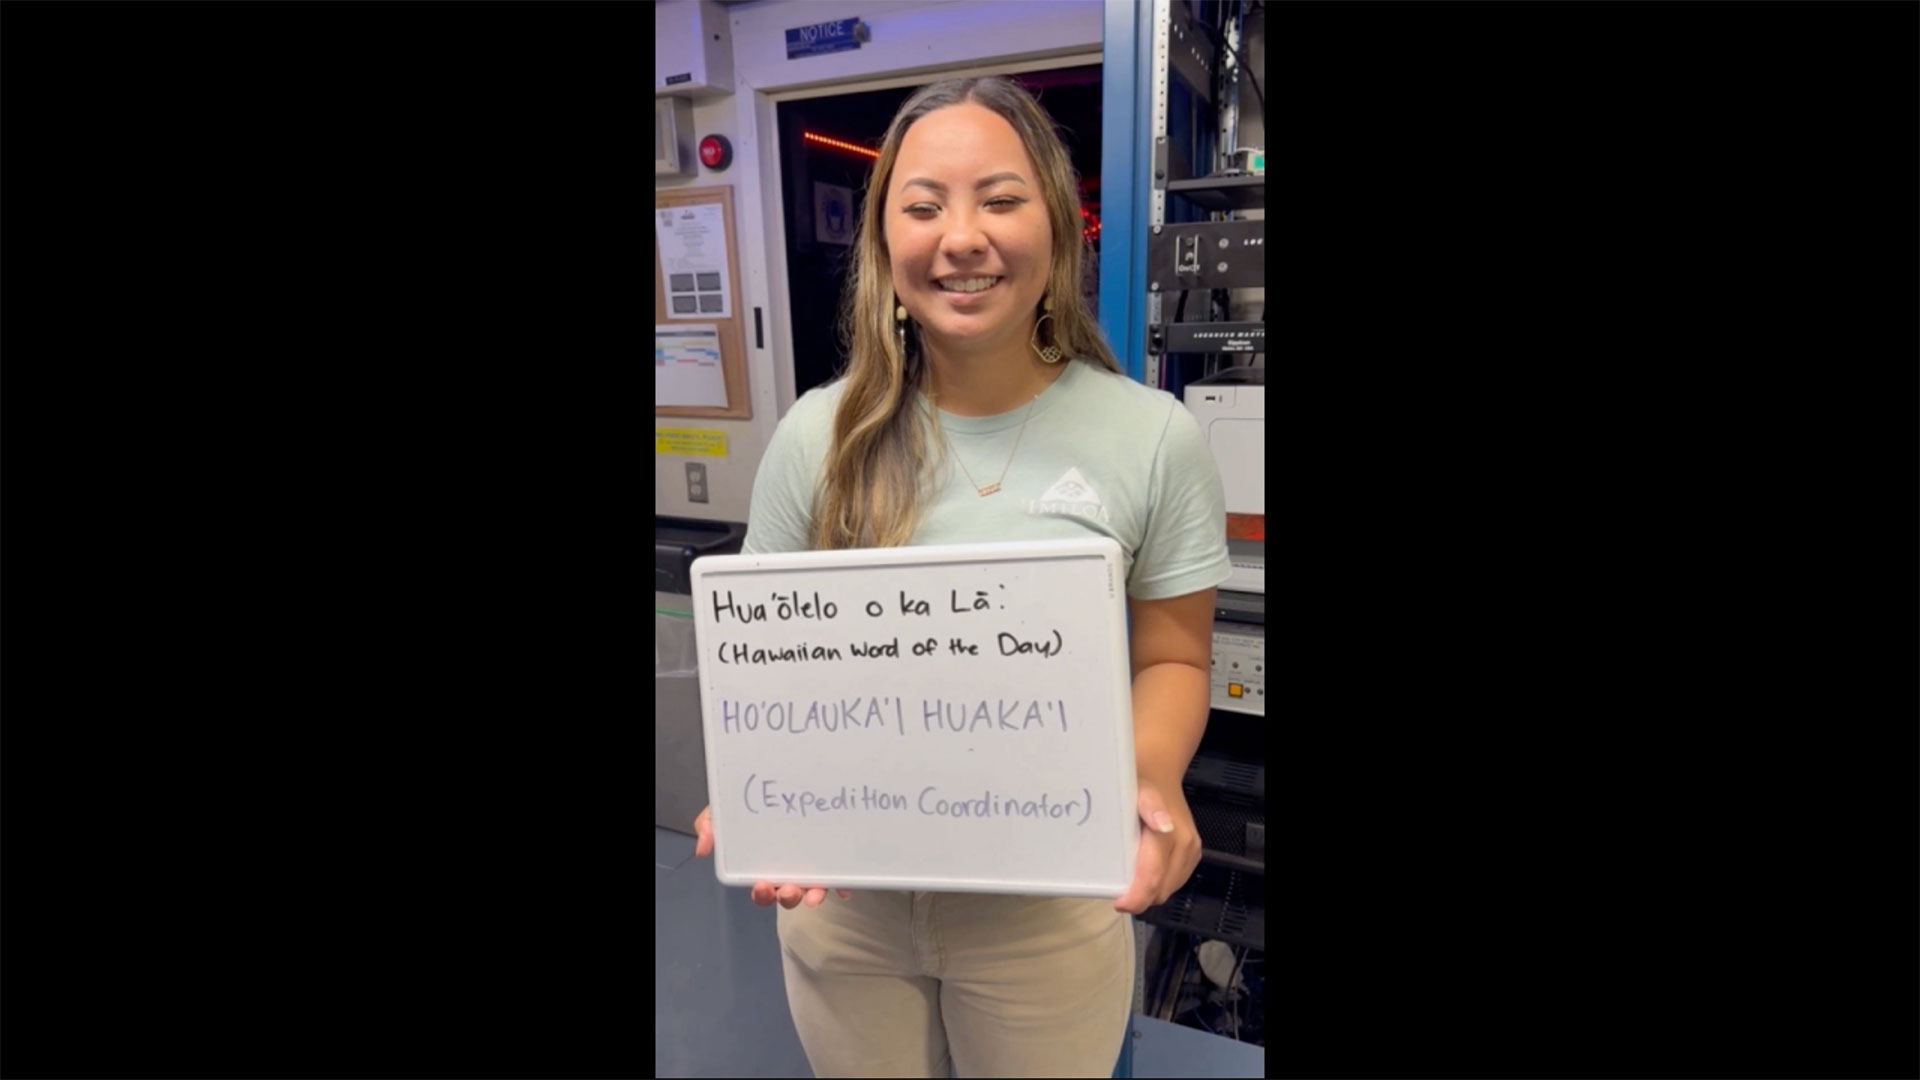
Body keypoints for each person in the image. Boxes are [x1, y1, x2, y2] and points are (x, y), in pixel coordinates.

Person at [691, 75, 1229, 1079]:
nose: (962, 236)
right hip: (844, 911)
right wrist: (759, 794)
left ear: (1059, 229)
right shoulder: (817, 435)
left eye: (1000, 198)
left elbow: (1171, 655)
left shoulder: (1150, 436)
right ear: (885, 241)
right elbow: (760, 671)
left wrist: (1148, 780)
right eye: (924, 206)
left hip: (1048, 912)